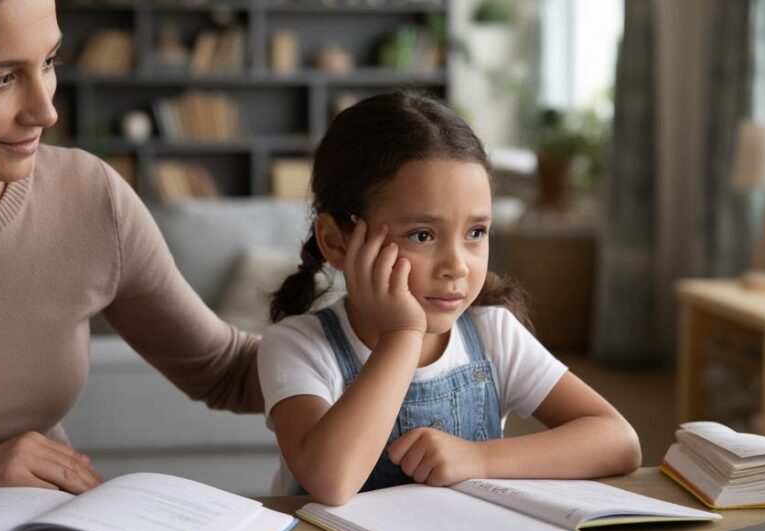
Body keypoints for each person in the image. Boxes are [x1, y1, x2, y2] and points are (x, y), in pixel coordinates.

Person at [0, 0, 262, 515]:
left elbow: (227, 370)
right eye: (2, 79)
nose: (46, 111)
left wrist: (351, 343)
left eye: (49, 62)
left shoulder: (89, 195)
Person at [259, 91, 641, 506]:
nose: (457, 266)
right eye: (422, 235)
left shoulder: (492, 334)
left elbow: (619, 442)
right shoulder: (297, 345)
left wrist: (479, 458)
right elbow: (331, 481)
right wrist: (402, 335)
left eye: (475, 233)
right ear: (336, 241)